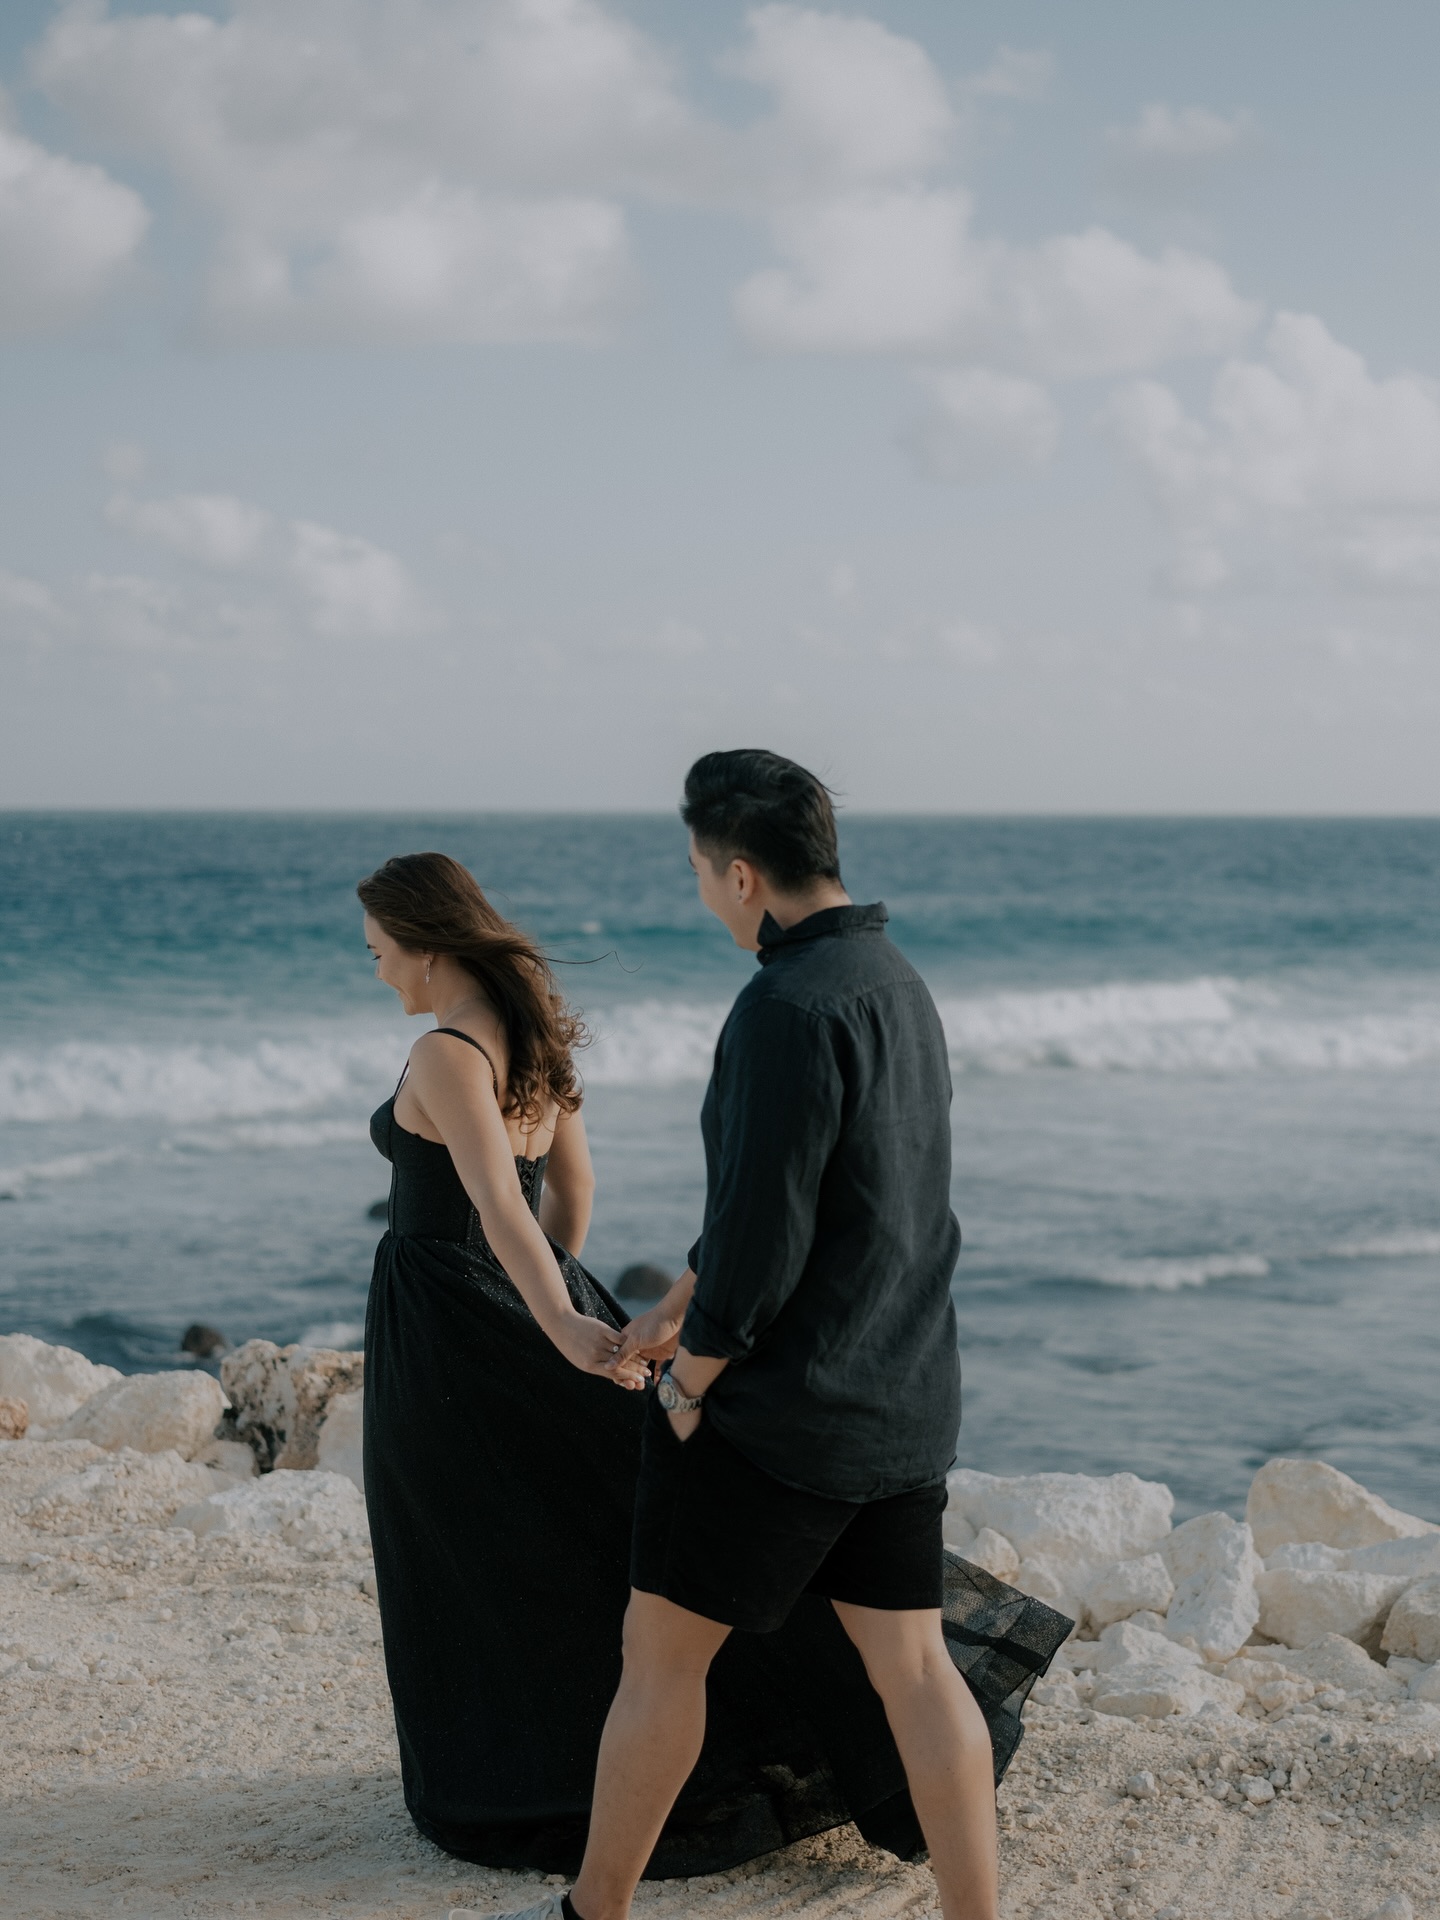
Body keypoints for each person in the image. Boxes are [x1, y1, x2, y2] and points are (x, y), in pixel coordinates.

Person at [359, 850, 1060, 1882]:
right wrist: (564, 1292)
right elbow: (566, 1197)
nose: (377, 971)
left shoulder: (443, 1054)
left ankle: (503, 1787)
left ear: (425, 946)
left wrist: (549, 1318)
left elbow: (498, 1211)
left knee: (470, 1547)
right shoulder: (537, 1036)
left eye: (379, 952)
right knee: (566, 1529)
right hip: (534, 1301)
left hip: (452, 1325)